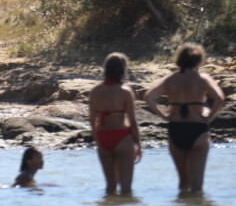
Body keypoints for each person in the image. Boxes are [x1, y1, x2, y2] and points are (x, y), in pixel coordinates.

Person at [144, 43, 225, 193]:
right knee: (197, 185)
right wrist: (209, 116)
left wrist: (164, 115)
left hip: (176, 129)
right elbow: (220, 98)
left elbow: (148, 96)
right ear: (198, 61)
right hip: (198, 129)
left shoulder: (170, 79)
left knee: (183, 183)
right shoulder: (203, 78)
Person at [88, 52, 141, 196]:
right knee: (126, 189)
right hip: (122, 137)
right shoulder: (125, 91)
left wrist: (98, 140)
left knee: (110, 188)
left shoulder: (94, 92)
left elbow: (92, 121)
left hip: (103, 138)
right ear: (122, 70)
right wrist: (138, 144)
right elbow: (133, 122)